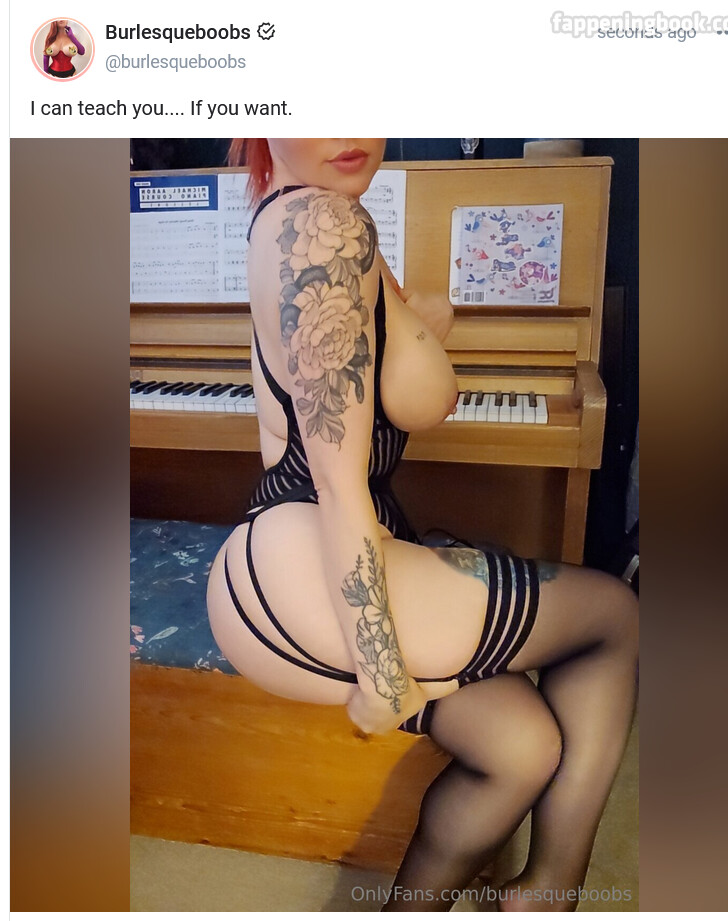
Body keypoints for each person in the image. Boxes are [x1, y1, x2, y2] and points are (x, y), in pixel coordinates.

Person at [206, 139, 638, 912]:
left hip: (278, 562)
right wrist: (382, 676)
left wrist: (417, 322)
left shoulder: (291, 214)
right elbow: (338, 484)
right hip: (314, 560)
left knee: (520, 746)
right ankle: (548, 892)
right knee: (613, 614)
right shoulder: (325, 226)